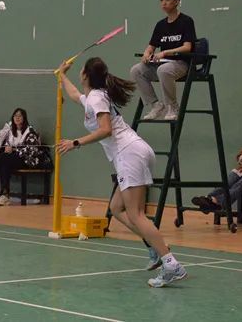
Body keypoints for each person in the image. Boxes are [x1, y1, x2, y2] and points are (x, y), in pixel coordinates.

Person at [58, 57, 186, 288]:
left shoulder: (97, 98)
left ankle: (171, 263)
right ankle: (155, 247)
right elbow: (75, 95)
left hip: (129, 154)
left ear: (86, 74)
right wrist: (62, 75)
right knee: (117, 208)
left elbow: (106, 130)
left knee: (136, 214)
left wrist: (75, 142)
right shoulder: (94, 97)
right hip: (134, 151)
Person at [130, 0, 197, 121]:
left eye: (167, 0)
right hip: (163, 64)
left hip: (182, 64)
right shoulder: (160, 25)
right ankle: (155, 105)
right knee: (136, 70)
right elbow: (151, 46)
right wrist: (147, 54)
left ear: (176, 1)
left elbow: (187, 47)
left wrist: (165, 52)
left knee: (164, 70)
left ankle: (172, 106)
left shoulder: (186, 21)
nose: (164, 3)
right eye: (161, 0)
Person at [0, 108, 45, 206]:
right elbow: (7, 146)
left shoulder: (30, 132)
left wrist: (14, 150)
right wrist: (7, 148)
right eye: (15, 116)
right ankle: (4, 195)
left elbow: (32, 151)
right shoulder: (11, 131)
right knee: (4, 164)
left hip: (27, 160)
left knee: (2, 159)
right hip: (12, 159)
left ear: (24, 118)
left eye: (20, 116)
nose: (17, 118)